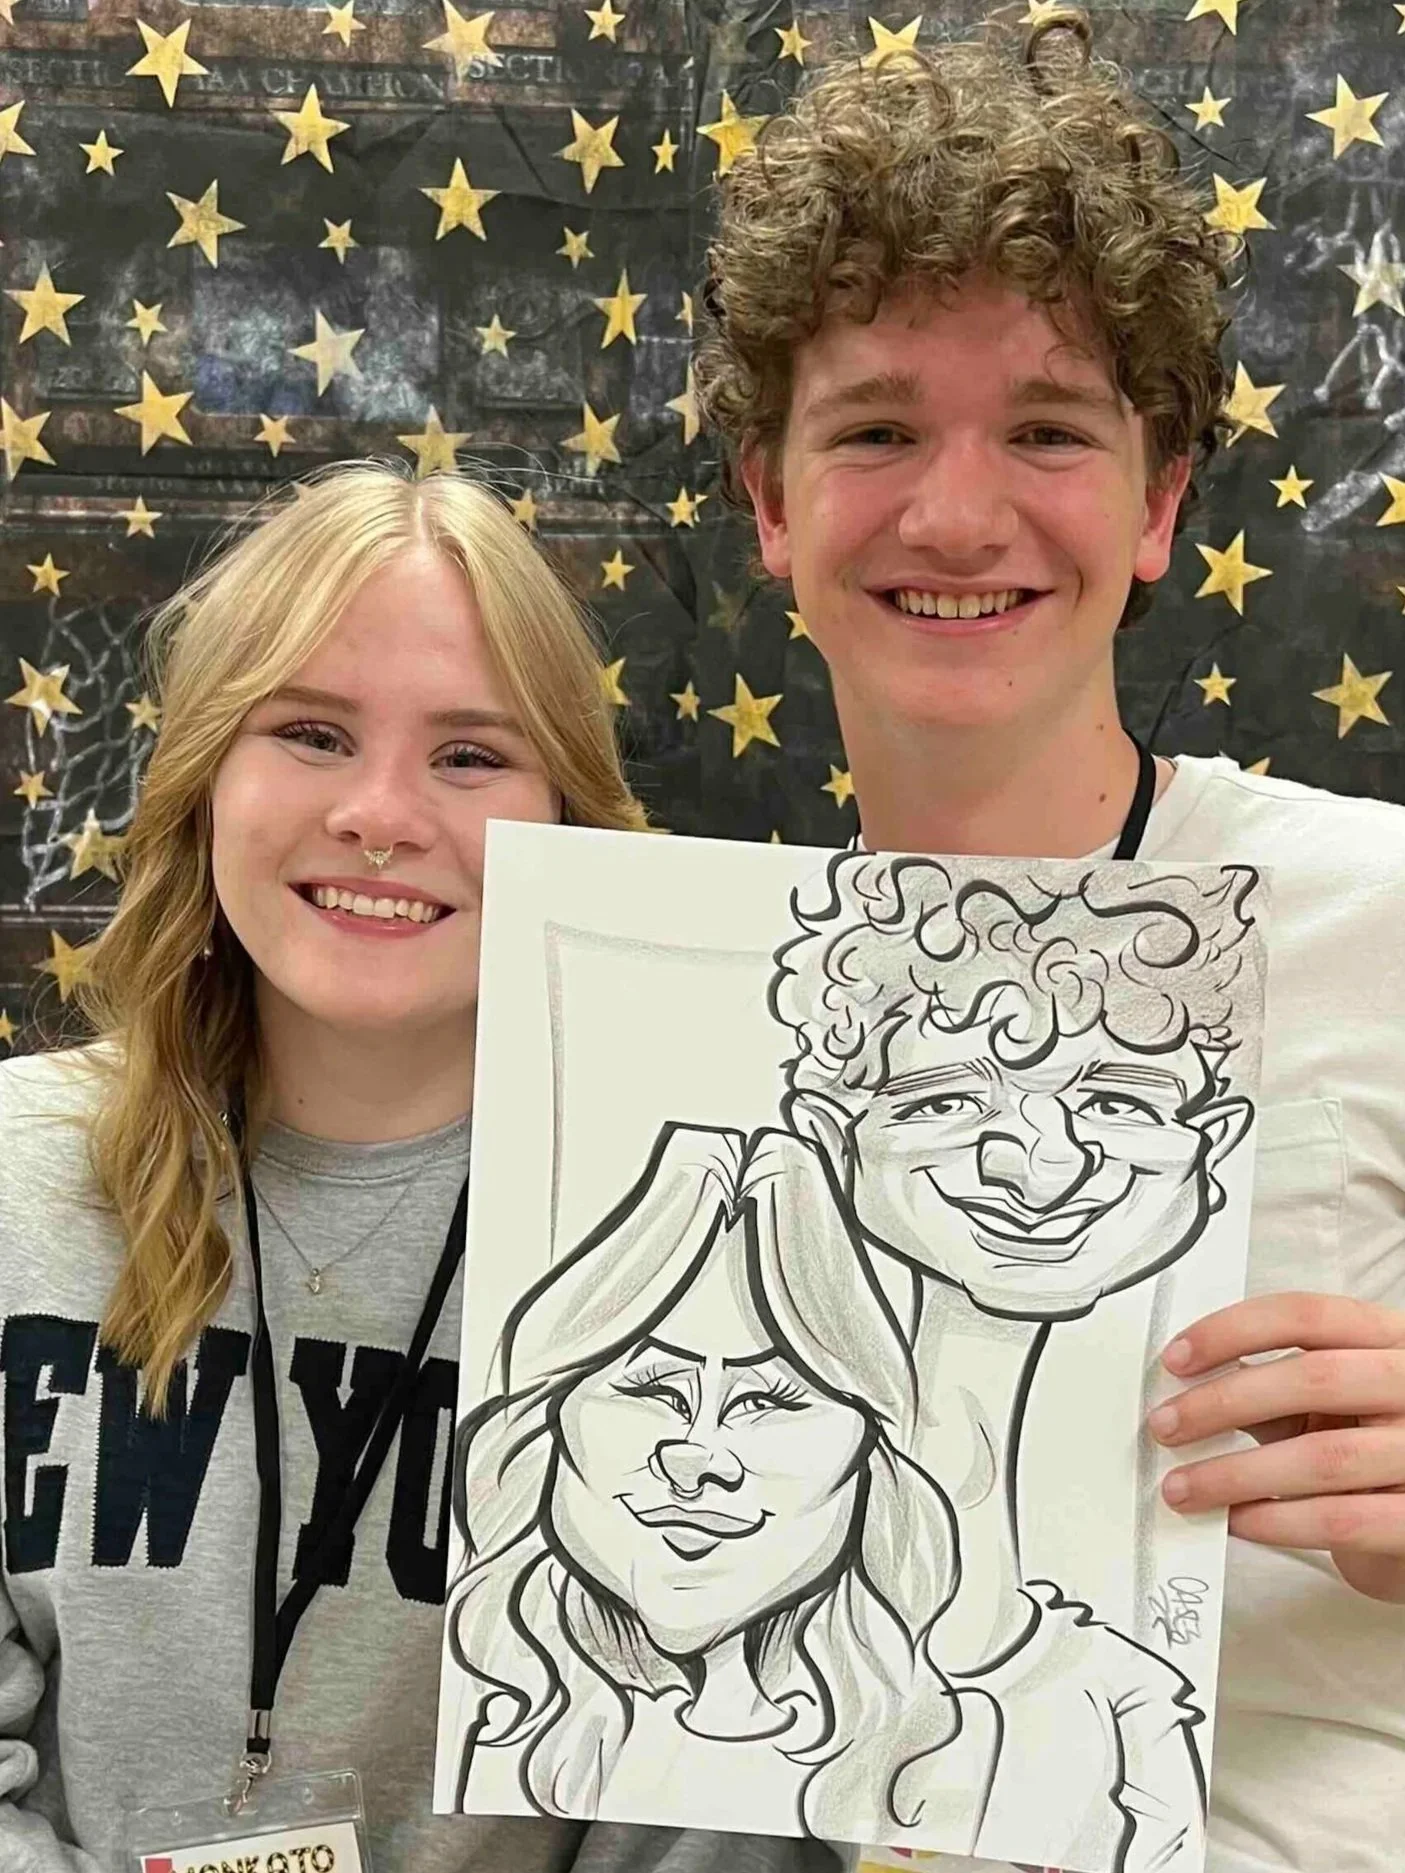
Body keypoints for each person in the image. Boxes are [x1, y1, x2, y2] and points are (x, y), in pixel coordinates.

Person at [695, 9, 1405, 1873]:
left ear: (1157, 504)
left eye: (1046, 430)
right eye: (875, 430)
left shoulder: (1384, 914)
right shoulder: (686, 1019)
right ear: (770, 501)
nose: (955, 513)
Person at [0, 461, 835, 1873]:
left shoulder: (716, 1240)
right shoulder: (16, 1181)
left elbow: (718, 1797)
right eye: (311, 733)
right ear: (206, 776)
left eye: (469, 756)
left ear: (568, 818)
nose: (380, 813)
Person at [770, 852, 1258, 1870]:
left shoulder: (1118, 1715)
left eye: (1117, 1103)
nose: (1040, 1163)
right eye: (944, 1101)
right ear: (828, 1135)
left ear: (1211, 1141)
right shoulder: (722, 1619)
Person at [443, 1123, 997, 1851]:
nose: (696, 1456)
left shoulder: (963, 1752)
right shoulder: (502, 1710)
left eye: (768, 1400)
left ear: (869, 1454)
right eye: (650, 1387)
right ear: (550, 1421)